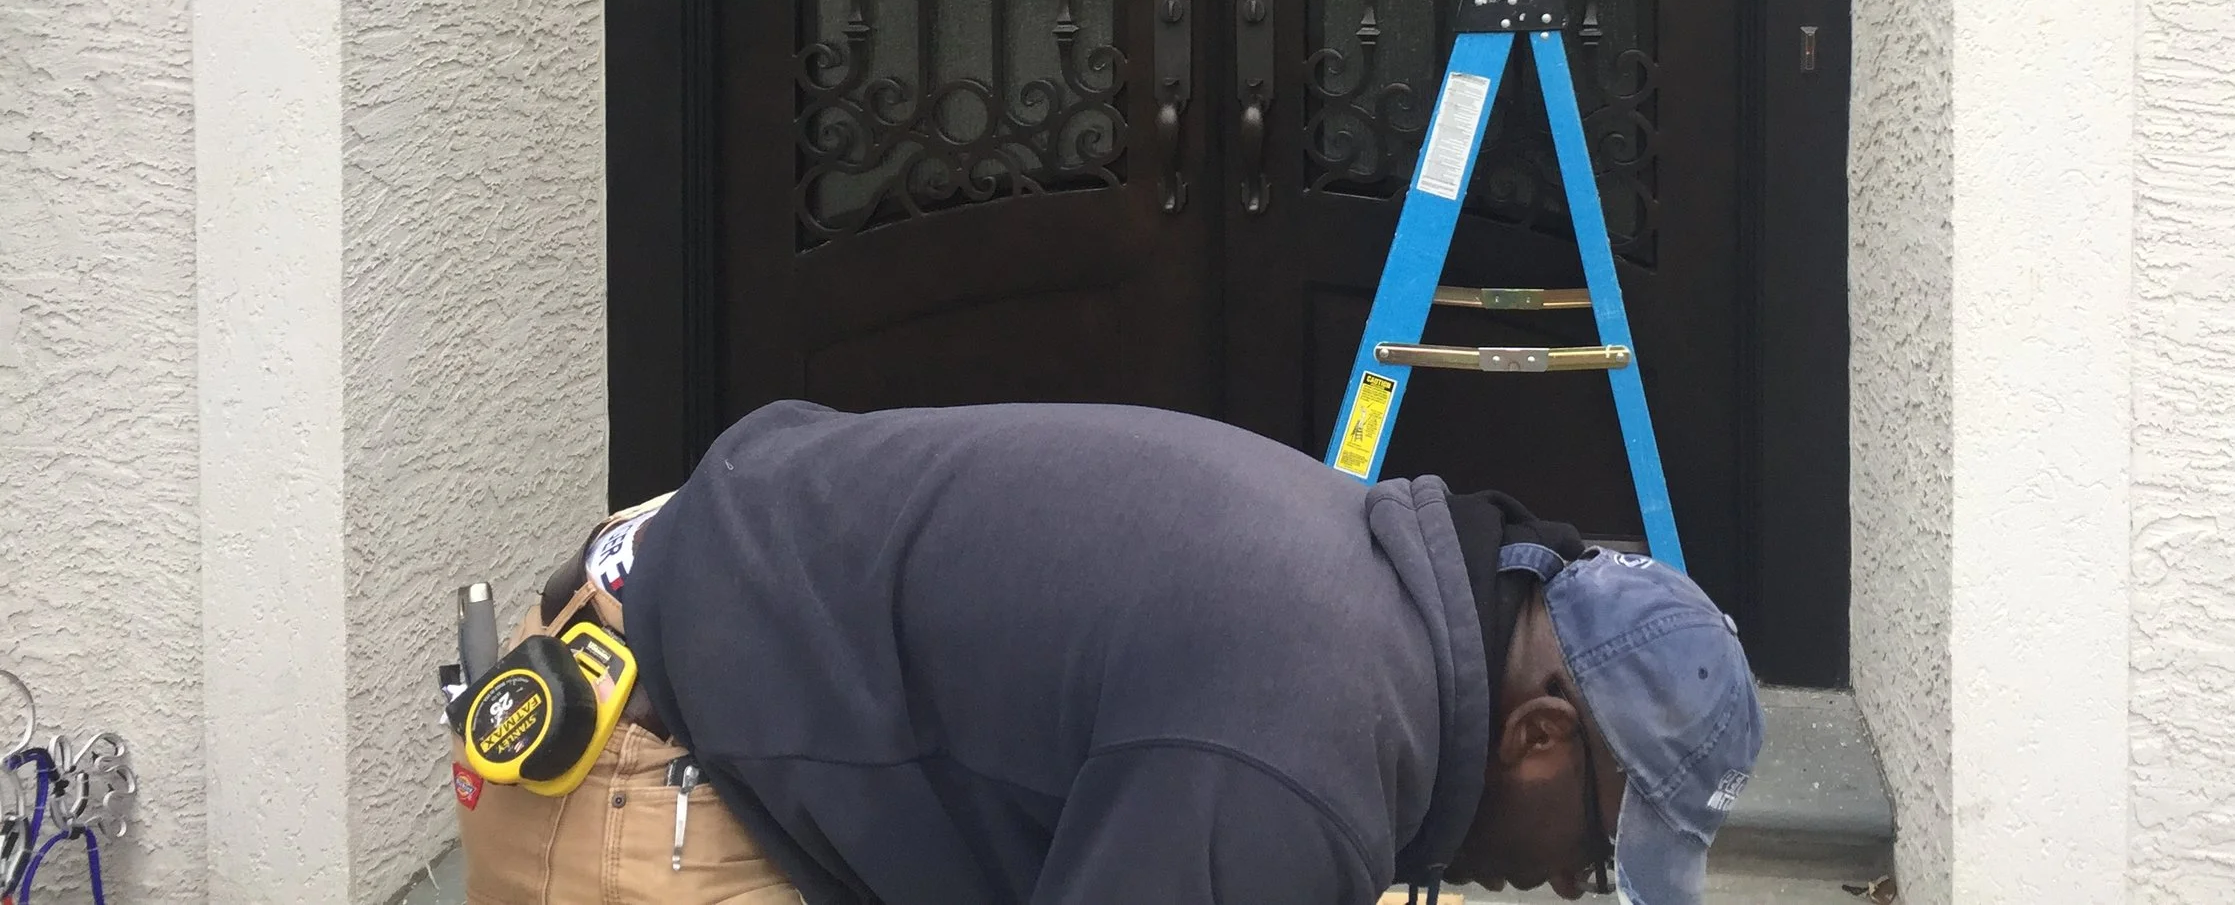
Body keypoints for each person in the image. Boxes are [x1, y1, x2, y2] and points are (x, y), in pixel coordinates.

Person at [455, 399, 1764, 905]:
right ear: (1539, 736)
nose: (1567, 885)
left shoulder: (1382, 618)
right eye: (1594, 851)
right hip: (655, 775)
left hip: (732, 632)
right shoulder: (1297, 750)